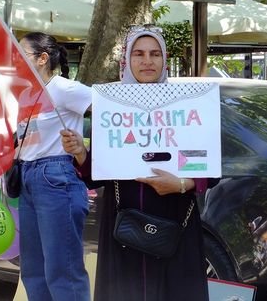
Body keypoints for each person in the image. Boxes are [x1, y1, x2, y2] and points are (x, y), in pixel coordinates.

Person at [60, 25, 210, 301]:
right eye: (138, 54)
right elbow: (98, 176)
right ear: (127, 60)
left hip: (175, 219)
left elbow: (208, 169)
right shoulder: (112, 107)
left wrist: (178, 184)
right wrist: (81, 152)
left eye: (155, 54)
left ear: (164, 60)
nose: (147, 61)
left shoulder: (186, 105)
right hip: (124, 226)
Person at [17, 32, 92, 301]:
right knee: (33, 271)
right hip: (28, 177)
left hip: (55, 176)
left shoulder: (63, 88)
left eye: (22, 54)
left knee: (62, 270)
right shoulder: (26, 93)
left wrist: (85, 150)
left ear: (42, 58)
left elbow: (108, 111)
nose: (16, 60)